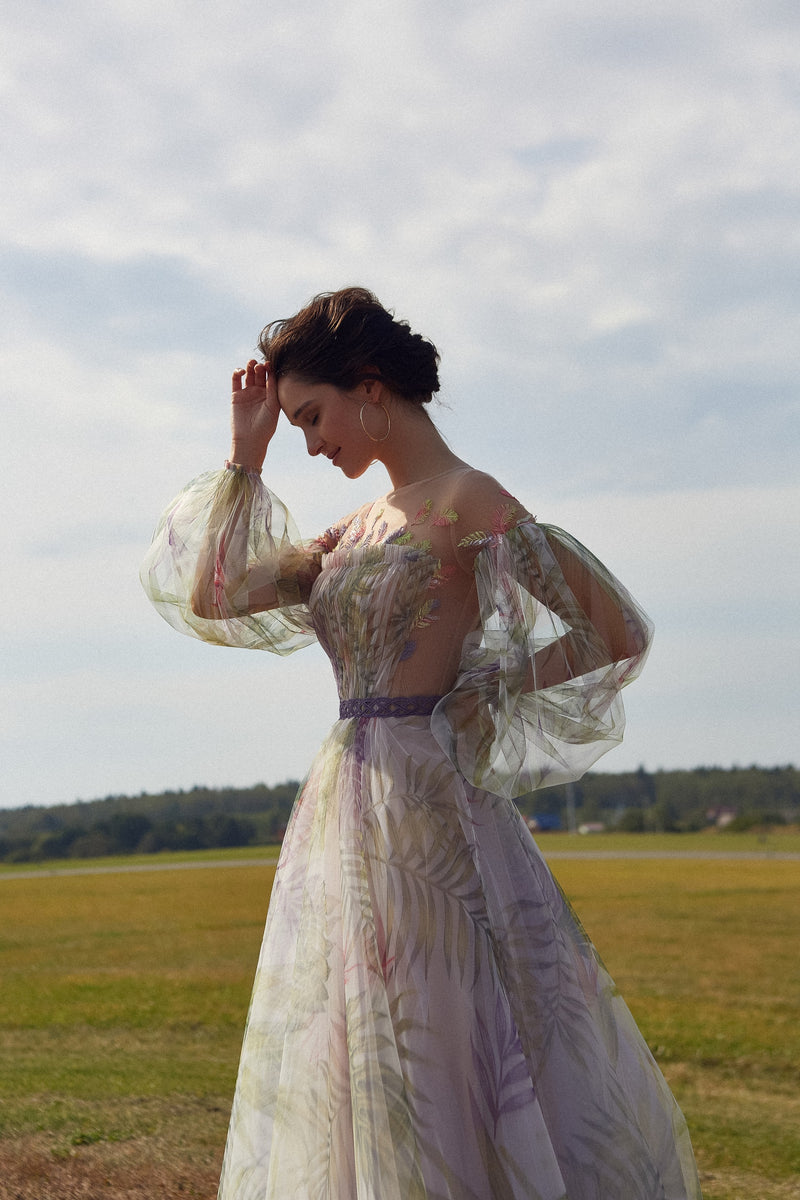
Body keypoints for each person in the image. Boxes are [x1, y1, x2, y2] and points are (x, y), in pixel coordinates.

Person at [140, 287, 702, 1200]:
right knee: (360, 1051)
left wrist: (488, 689)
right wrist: (248, 455)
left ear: (371, 388)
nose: (312, 444)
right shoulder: (345, 534)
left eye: (312, 417)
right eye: (298, 427)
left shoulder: (465, 499)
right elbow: (214, 595)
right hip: (341, 816)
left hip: (434, 813)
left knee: (444, 1039)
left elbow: (614, 626)